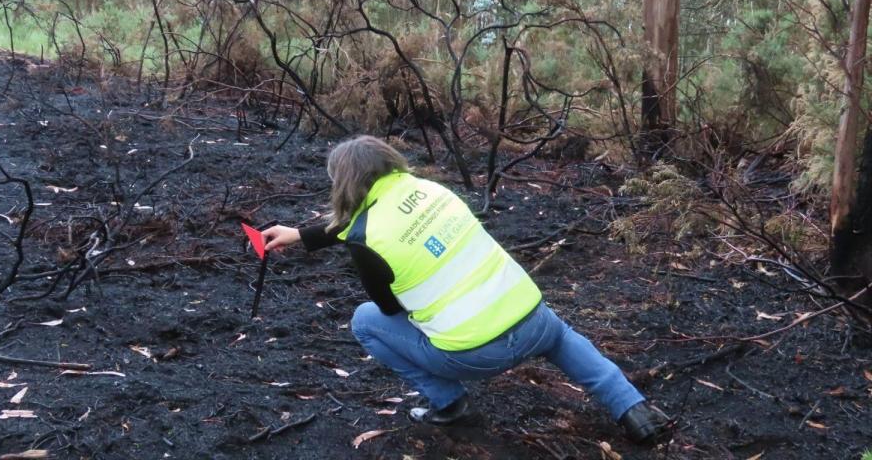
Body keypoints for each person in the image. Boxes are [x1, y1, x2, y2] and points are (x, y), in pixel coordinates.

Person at [262, 136, 671, 444]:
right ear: (388, 162)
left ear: (344, 183)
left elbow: (388, 307)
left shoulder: (365, 240)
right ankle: (633, 409)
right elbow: (370, 226)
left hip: (476, 355)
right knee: (561, 335)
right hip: (533, 322)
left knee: (365, 320)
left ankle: (450, 402)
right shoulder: (433, 191)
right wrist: (301, 234)